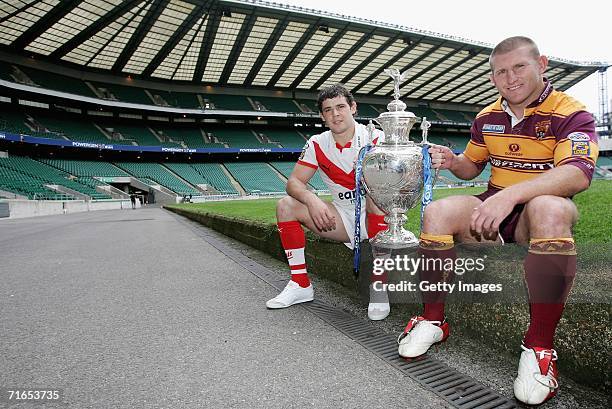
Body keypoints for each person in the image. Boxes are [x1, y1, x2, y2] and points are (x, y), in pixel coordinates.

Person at [396, 36, 598, 405]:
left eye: (519, 66)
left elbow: (578, 173)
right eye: (500, 72)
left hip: (534, 214)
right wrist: (452, 160)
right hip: (493, 209)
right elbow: (471, 165)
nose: (510, 78)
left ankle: (539, 348)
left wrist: (511, 195)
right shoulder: (486, 117)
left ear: (543, 64)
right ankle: (433, 320)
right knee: (436, 212)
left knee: (549, 208)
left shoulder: (572, 112)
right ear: (492, 77)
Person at [266, 84, 391, 320]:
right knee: (286, 205)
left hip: (378, 215)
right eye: (328, 110)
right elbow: (293, 182)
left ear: (353, 108)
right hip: (342, 220)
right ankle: (300, 284)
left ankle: (379, 286)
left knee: (376, 198)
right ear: (323, 116)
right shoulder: (316, 143)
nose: (336, 114)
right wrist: (311, 199)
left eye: (341, 107)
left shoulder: (375, 136)